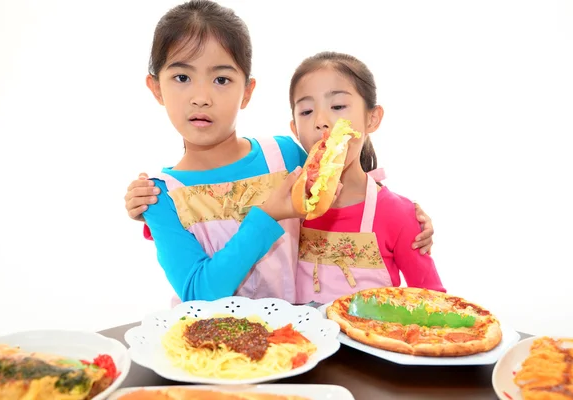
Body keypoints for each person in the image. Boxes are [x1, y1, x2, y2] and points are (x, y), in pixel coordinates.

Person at [126, 0, 436, 305]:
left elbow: (341, 203)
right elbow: (198, 294)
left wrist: (408, 221)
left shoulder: (286, 155)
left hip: (296, 346)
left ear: (247, 91)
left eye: (221, 79)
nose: (201, 97)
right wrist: (266, 217)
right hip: (208, 351)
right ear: (156, 88)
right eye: (182, 77)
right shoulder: (158, 197)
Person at [287, 51, 445, 304]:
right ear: (294, 129)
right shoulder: (284, 207)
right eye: (306, 111)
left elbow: (434, 303)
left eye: (338, 106)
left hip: (369, 340)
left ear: (372, 119)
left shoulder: (399, 213)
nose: (321, 121)